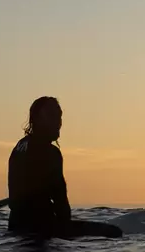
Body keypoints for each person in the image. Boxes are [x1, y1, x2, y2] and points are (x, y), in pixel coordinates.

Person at [8, 97, 122, 238]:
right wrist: (68, 235)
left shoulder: (19, 146)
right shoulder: (50, 153)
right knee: (114, 233)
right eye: (51, 116)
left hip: (15, 226)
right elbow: (60, 200)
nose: (58, 122)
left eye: (59, 116)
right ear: (36, 119)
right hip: (41, 227)